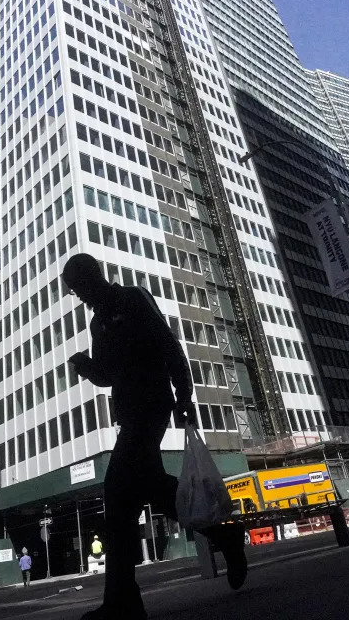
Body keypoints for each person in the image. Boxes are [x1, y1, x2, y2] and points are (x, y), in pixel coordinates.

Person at [62, 253, 246, 620]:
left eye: (79, 287)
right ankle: (224, 537)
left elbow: (168, 344)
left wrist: (184, 395)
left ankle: (122, 603)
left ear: (93, 277)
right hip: (130, 415)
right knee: (147, 490)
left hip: (152, 406)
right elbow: (108, 375)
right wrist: (88, 367)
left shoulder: (133, 298)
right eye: (75, 291)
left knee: (117, 493)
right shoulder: (98, 324)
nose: (78, 296)